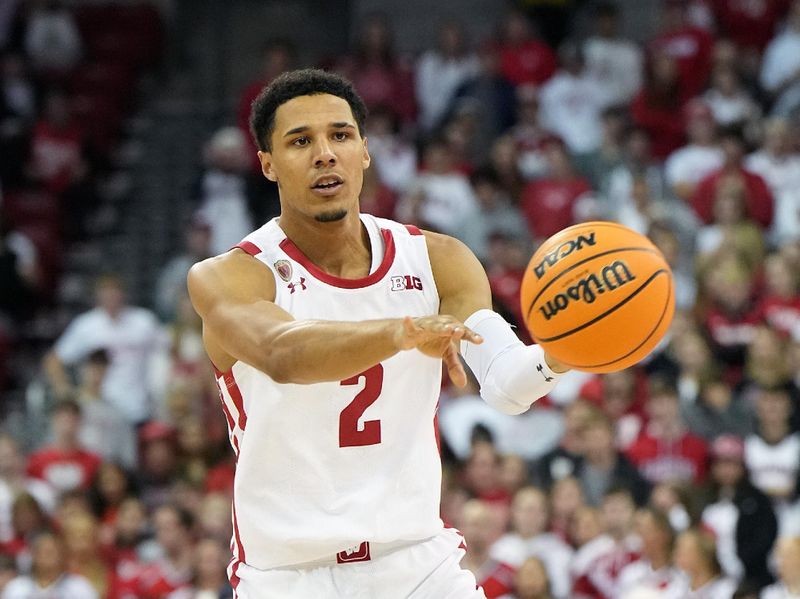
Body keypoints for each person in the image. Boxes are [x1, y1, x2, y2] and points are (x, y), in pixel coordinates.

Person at [186, 68, 570, 598]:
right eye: (301, 141)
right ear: (267, 165)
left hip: (416, 563)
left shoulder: (439, 259)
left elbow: (506, 385)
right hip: (289, 576)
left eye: (340, 135)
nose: (325, 153)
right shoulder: (229, 276)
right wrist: (402, 332)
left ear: (365, 151)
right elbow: (283, 354)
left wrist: (562, 355)